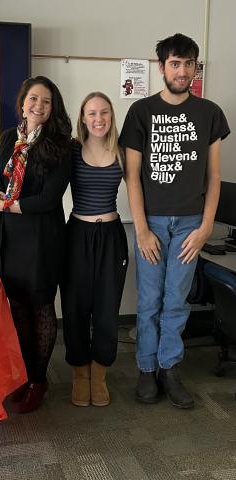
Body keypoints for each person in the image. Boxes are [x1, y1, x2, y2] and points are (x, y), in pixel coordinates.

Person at [119, 33, 230, 409]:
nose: (182, 71)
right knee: (149, 300)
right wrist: (142, 229)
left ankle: (170, 367)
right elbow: (132, 176)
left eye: (188, 64)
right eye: (175, 63)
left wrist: (204, 230)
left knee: (176, 301)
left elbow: (214, 177)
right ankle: (147, 369)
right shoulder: (141, 112)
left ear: (196, 68)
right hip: (150, 221)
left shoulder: (210, 113)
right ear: (162, 66)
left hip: (190, 224)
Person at [0, 75, 72, 414]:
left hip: (41, 238)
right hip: (9, 237)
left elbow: (49, 199)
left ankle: (39, 379)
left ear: (53, 109)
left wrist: (5, 205)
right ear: (22, 101)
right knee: (17, 307)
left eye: (46, 101)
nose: (38, 105)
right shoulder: (9, 138)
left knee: (41, 308)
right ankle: (22, 374)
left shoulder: (61, 145)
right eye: (33, 98)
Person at [61, 92, 128, 407]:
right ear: (83, 118)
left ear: (111, 116)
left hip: (111, 236)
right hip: (77, 235)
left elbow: (143, 190)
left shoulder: (123, 151)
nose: (98, 119)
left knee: (106, 309)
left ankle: (99, 375)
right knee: (75, 308)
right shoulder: (71, 151)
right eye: (91, 113)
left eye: (104, 112)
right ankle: (80, 374)